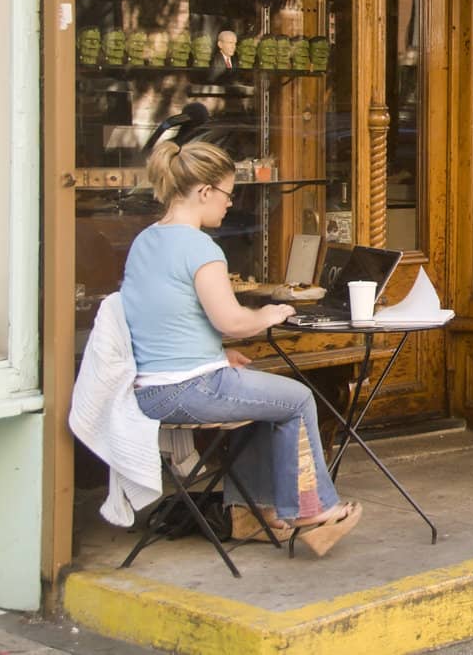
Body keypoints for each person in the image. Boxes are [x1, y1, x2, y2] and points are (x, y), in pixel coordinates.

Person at [124, 139, 362, 553]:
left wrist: (215, 355)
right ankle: (313, 510)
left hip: (152, 390)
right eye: (229, 194)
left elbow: (165, 317)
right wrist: (268, 314)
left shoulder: (146, 239)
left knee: (261, 400)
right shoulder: (200, 248)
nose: (231, 205)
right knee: (299, 399)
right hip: (188, 389)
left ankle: (250, 512)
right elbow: (231, 321)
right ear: (204, 193)